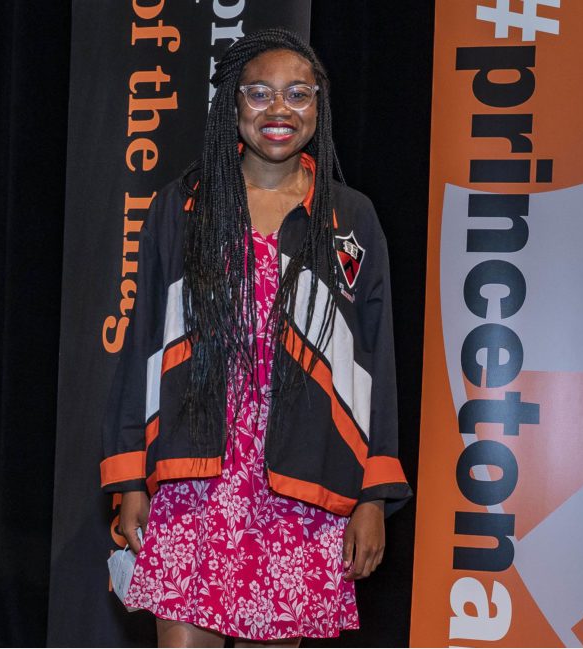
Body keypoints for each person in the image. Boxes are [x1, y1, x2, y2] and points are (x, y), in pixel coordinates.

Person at [101, 28, 411, 647]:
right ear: (232, 106)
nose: (279, 111)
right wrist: (130, 476)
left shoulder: (349, 218)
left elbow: (375, 360)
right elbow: (143, 345)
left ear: (319, 106)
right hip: (195, 471)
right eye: (260, 94)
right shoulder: (183, 206)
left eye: (298, 94)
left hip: (306, 477)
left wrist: (374, 495)